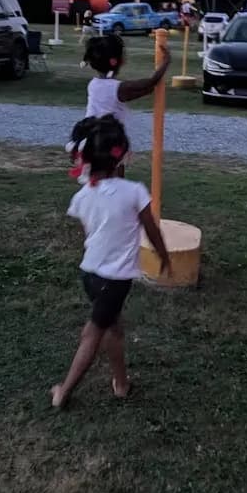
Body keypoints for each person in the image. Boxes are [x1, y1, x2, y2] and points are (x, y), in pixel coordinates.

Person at [51, 114, 170, 409]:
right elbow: (151, 229)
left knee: (113, 327)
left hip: (90, 275)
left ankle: (121, 382)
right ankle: (63, 393)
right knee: (92, 334)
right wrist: (163, 255)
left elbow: (90, 232)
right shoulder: (134, 192)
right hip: (114, 281)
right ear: (121, 157)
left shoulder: (83, 195)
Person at [84, 33, 171, 148]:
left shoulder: (93, 85)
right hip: (107, 140)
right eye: (122, 54)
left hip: (89, 137)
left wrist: (150, 88)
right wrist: (166, 62)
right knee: (114, 164)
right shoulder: (118, 88)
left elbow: (144, 89)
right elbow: (151, 82)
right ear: (114, 61)